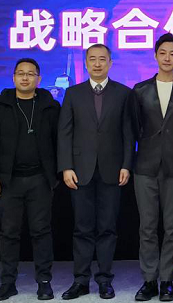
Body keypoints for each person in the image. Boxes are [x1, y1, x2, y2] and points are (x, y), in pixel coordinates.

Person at [57, 44, 135, 300]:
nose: (98, 64)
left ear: (110, 63)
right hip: (80, 171)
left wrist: (127, 164)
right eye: (93, 59)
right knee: (82, 228)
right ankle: (80, 280)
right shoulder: (73, 93)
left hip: (113, 170)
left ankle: (104, 280)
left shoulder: (123, 93)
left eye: (103, 59)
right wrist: (66, 167)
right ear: (86, 63)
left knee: (107, 228)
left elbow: (128, 133)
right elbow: (65, 133)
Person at [0, 58, 60, 301]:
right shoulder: (0, 105)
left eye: (30, 74)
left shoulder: (50, 105)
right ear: (13, 77)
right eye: (21, 73)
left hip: (40, 179)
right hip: (9, 180)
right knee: (9, 233)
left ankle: (44, 282)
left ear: (39, 79)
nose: (25, 78)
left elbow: (60, 141)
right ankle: (8, 283)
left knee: (41, 231)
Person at [130, 33, 173, 302]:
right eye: (163, 53)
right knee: (147, 227)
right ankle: (149, 280)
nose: (167, 58)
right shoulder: (139, 90)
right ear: (155, 55)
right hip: (144, 166)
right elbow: (133, 128)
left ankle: (167, 280)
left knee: (171, 227)